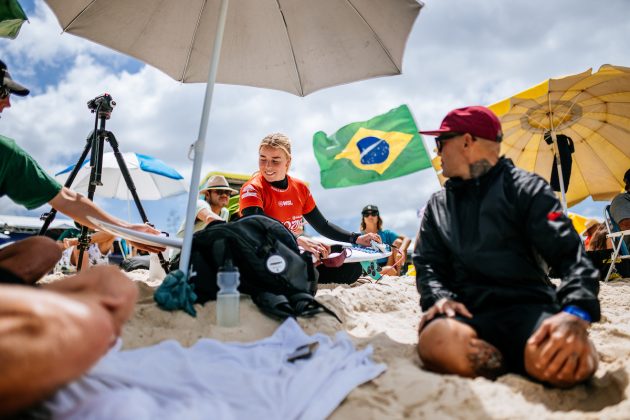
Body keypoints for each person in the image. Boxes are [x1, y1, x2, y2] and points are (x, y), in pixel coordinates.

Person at [0, 60, 155, 415]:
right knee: (107, 302)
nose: (7, 104)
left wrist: (128, 231)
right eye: (1, 93)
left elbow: (69, 200)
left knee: (43, 248)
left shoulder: (5, 153)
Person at [413, 106, 600, 387]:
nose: (437, 152)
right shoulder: (438, 205)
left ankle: (528, 357)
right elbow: (428, 264)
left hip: (531, 309)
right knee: (434, 340)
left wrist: (576, 312)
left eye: (440, 143)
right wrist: (438, 298)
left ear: (466, 141)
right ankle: (512, 362)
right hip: (466, 314)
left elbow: (571, 255)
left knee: (574, 363)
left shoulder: (527, 189)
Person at [239, 132, 381, 284]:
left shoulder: (300, 189)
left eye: (275, 161)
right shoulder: (252, 188)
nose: (267, 166)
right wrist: (298, 239)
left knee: (351, 269)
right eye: (263, 159)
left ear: (288, 162)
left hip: (291, 255)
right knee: (303, 271)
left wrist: (356, 238)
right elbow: (257, 227)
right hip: (262, 255)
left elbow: (322, 225)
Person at [360, 204, 411, 275]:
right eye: (366, 214)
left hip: (389, 265)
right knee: (390, 270)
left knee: (398, 242)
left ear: (378, 217)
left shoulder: (386, 233)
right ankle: (394, 274)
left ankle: (399, 275)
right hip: (369, 269)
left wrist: (401, 250)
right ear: (363, 218)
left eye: (373, 213)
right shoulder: (360, 237)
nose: (370, 216)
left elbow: (407, 239)